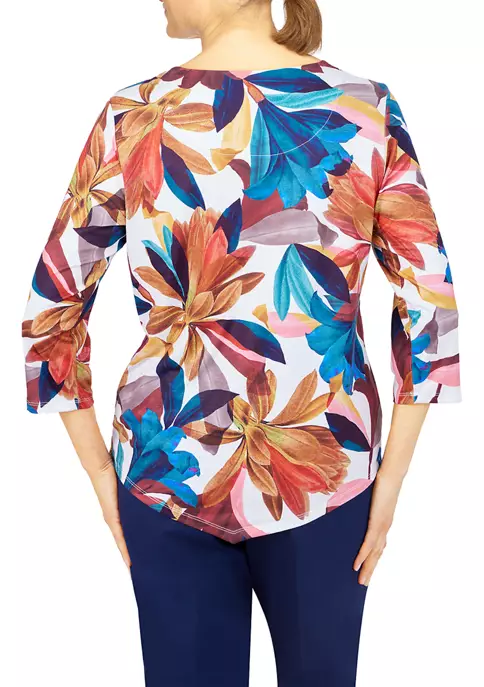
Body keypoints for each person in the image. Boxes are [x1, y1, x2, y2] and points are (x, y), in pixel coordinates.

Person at [21, 0, 461, 685]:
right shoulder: (365, 108)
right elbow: (431, 306)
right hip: (326, 472)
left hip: (167, 471)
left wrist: (102, 475)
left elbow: (53, 304)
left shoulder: (134, 115)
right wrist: (391, 483)